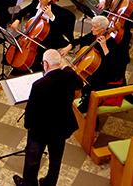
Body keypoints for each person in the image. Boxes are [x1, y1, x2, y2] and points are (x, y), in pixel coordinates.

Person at [12, 50, 83, 186]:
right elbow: (79, 82)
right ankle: (49, 183)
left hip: (41, 130)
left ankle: (29, 184)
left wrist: (28, 126)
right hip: (61, 126)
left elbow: (31, 110)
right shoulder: (69, 77)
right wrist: (65, 66)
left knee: (33, 159)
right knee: (55, 159)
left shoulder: (39, 85)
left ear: (45, 64)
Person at [60, 16, 130, 110]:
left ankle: (88, 105)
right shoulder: (94, 35)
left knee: (89, 83)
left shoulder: (112, 42)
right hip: (96, 68)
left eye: (94, 27)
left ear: (102, 29)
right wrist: (69, 46)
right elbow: (80, 39)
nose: (92, 29)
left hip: (106, 71)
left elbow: (112, 64)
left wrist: (104, 47)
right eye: (92, 26)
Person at [10, 0, 76, 73]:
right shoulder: (36, 2)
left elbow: (60, 28)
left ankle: (26, 66)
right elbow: (23, 11)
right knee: (15, 44)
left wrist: (51, 16)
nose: (39, 0)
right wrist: (17, 20)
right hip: (31, 33)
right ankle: (15, 61)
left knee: (37, 57)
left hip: (48, 36)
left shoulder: (56, 10)